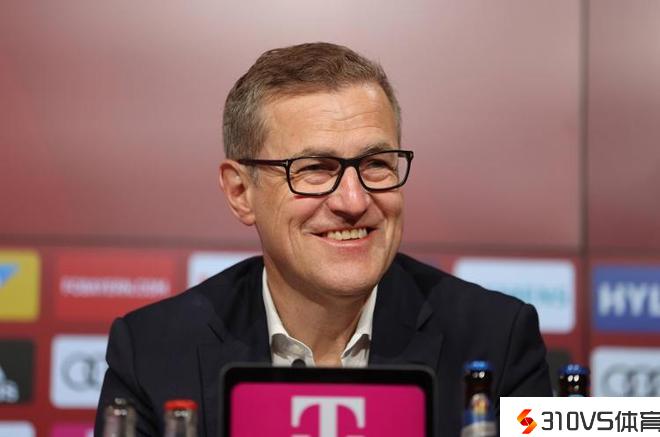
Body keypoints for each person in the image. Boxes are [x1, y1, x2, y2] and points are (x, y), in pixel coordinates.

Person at [95, 42, 552, 436]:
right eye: (314, 169)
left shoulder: (499, 338)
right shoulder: (151, 350)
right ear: (240, 192)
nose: (353, 200)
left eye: (376, 164)